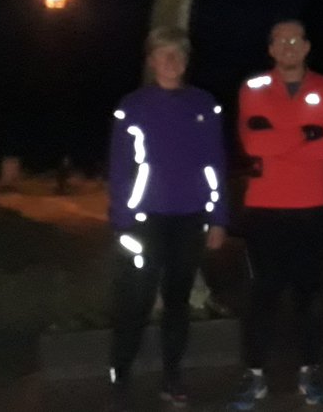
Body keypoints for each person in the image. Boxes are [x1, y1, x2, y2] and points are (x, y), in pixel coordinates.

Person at [106, 26, 229, 410]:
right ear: (151, 60)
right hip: (144, 220)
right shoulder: (133, 105)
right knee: (136, 299)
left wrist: (219, 217)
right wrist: (122, 218)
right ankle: (120, 372)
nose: (171, 61)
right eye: (163, 54)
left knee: (177, 302)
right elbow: (119, 165)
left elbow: (215, 164)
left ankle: (172, 376)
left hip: (189, 218)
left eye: (178, 54)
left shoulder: (204, 105)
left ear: (186, 60)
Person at [230, 20, 323, 409]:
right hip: (265, 209)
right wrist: (306, 134)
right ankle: (256, 375)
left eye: (296, 40)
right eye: (281, 40)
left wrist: (279, 138)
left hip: (313, 207)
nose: (289, 46)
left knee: (310, 298)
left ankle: (309, 373)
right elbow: (251, 141)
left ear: (308, 46)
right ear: (271, 49)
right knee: (263, 295)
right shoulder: (253, 88)